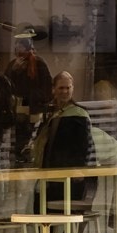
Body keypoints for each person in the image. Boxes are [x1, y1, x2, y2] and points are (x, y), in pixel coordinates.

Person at [32, 71, 96, 210]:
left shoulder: (78, 115)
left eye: (68, 88)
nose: (65, 91)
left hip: (69, 178)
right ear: (53, 89)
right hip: (49, 176)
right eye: (61, 88)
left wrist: (78, 172)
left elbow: (84, 147)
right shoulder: (49, 114)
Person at [5, 34, 53, 158]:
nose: (17, 48)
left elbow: (47, 86)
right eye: (16, 46)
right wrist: (13, 71)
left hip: (35, 105)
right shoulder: (13, 64)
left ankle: (31, 154)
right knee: (21, 133)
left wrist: (39, 99)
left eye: (20, 45)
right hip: (21, 104)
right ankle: (20, 155)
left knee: (34, 132)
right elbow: (5, 85)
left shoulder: (38, 63)